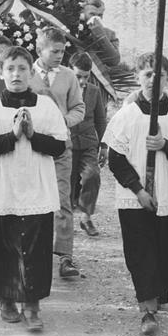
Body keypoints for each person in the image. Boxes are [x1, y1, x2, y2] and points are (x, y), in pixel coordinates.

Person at [0, 46, 67, 332]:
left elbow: (59, 147)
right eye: (10, 69)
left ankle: (32, 306)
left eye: (22, 68)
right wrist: (12, 136)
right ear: (0, 72)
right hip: (1, 188)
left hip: (36, 187)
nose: (16, 74)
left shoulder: (45, 106)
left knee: (35, 249)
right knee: (3, 246)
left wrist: (33, 135)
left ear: (31, 72)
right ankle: (6, 299)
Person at [103, 53, 168, 336]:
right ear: (138, 77)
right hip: (135, 198)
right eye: (147, 74)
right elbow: (116, 159)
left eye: (160, 76)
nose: (153, 81)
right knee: (139, 250)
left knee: (162, 249)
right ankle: (146, 307)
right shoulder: (127, 115)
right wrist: (138, 190)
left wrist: (165, 145)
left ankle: (157, 295)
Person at [28, 27, 86, 279]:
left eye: (63, 51)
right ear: (40, 50)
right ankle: (33, 253)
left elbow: (79, 108)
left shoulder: (69, 76)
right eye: (54, 51)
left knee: (63, 199)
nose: (60, 56)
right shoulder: (25, 73)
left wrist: (64, 121)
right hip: (30, 147)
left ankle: (65, 257)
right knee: (32, 199)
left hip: (61, 146)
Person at [68, 51, 108, 237]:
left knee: (92, 176)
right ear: (69, 71)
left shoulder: (94, 91)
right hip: (67, 143)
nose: (83, 81)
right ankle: (65, 220)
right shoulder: (62, 90)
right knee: (67, 181)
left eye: (86, 76)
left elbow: (100, 120)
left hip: (88, 143)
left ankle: (86, 217)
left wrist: (104, 146)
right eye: (78, 76)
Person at [78, 0, 121, 69]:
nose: (96, 18)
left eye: (100, 15)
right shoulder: (76, 31)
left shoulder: (110, 34)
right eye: (92, 14)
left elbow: (114, 60)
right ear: (82, 13)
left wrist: (101, 35)